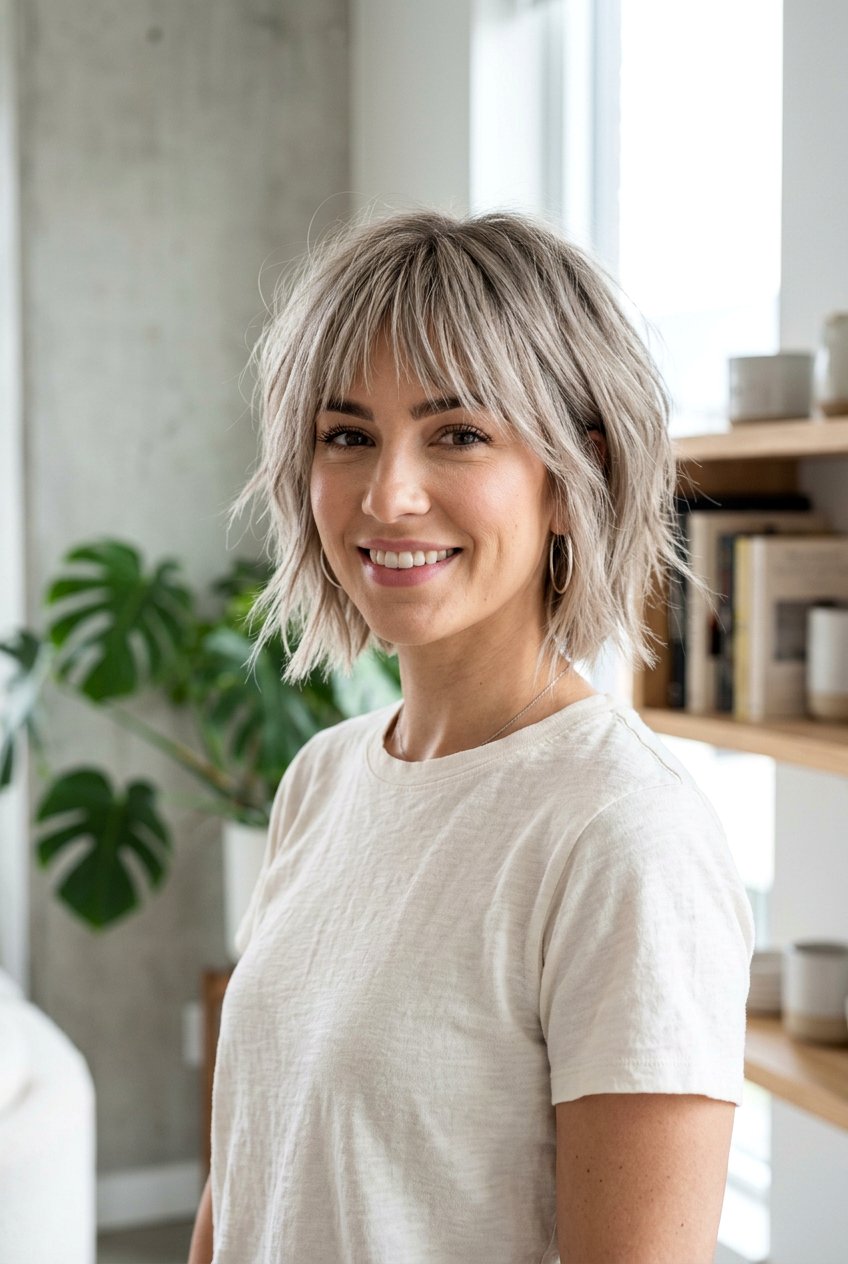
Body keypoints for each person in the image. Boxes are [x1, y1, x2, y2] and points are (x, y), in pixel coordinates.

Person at [188, 208, 755, 1264]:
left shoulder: (624, 836)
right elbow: (254, 1162)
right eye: (346, 435)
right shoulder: (322, 779)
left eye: (457, 434)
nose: (388, 494)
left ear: (568, 476)